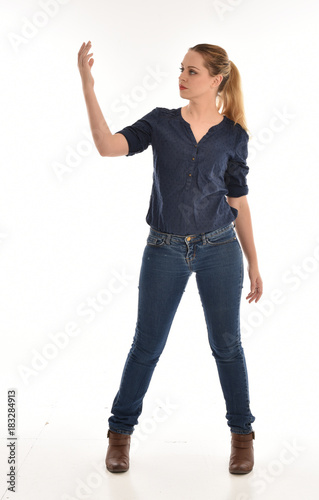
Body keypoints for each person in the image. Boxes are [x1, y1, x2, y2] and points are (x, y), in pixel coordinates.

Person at [77, 41, 263, 475]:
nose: (181, 76)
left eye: (192, 71)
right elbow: (107, 146)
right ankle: (119, 434)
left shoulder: (234, 136)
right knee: (147, 345)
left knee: (228, 346)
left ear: (216, 80)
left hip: (220, 248)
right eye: (181, 68)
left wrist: (254, 261)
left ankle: (242, 437)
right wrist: (88, 85)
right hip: (163, 248)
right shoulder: (160, 123)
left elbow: (239, 202)